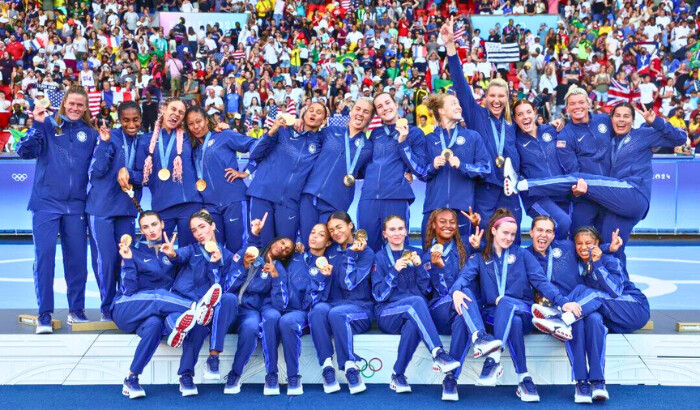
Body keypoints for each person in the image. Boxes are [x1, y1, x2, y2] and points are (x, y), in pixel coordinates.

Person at [505, 102, 687, 266]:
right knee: (610, 248)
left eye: (626, 116)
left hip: (633, 192)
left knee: (579, 179)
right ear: (610, 120)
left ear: (633, 120)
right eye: (617, 116)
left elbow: (680, 138)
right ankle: (618, 291)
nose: (621, 120)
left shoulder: (643, 134)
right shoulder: (611, 140)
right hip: (618, 204)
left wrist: (656, 121)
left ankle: (522, 185)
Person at [451, 208, 578, 402]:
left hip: (524, 309)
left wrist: (563, 302)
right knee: (507, 316)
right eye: (505, 233)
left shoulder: (523, 255)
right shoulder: (480, 258)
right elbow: (464, 277)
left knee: (508, 304)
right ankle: (524, 378)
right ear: (493, 231)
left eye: (513, 234)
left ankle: (492, 360)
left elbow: (541, 282)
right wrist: (456, 291)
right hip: (494, 316)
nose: (509, 238)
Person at [531, 225, 651, 402]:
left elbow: (615, 291)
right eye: (579, 243)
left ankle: (559, 318)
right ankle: (590, 383)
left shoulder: (611, 261)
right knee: (589, 317)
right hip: (609, 315)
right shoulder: (582, 264)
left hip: (634, 308)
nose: (582, 247)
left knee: (592, 295)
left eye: (588, 243)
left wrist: (598, 262)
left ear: (596, 244)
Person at [112, 211, 221, 399]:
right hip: (127, 307)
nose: (151, 230)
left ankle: (132, 379)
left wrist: (174, 255)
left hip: (152, 315)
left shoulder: (172, 252)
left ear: (162, 224)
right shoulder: (134, 251)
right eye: (145, 227)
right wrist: (128, 260)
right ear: (141, 230)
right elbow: (128, 290)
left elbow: (184, 276)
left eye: (154, 224)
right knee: (158, 296)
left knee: (156, 324)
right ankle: (195, 309)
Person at [17, 85, 99, 332]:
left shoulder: (90, 134)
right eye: (71, 103)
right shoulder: (48, 125)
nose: (75, 108)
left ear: (85, 108)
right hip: (46, 203)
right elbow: (24, 152)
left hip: (76, 206)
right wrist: (38, 125)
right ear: (64, 103)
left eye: (80, 105)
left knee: (77, 261)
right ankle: (44, 314)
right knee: (44, 259)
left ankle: (76, 310)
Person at [441, 18, 522, 242]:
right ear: (485, 98)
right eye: (492, 96)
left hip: (510, 190)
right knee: (483, 237)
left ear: (507, 98)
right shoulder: (476, 116)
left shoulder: (512, 123)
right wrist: (450, 47)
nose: (496, 100)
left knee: (512, 236)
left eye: (501, 96)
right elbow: (460, 84)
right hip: (485, 189)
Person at [525, 216, 618, 403]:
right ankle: (581, 382)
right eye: (540, 230)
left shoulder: (566, 247)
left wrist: (610, 248)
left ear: (554, 235)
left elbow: (586, 249)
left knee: (595, 321)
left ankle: (598, 382)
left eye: (548, 231)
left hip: (581, 304)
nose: (544, 235)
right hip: (551, 311)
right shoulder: (524, 255)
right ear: (531, 232)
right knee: (577, 325)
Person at [372, 215, 460, 394]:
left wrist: (420, 267)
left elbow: (427, 290)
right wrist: (394, 270)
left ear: (406, 231)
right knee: (416, 303)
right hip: (388, 313)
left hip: (414, 312)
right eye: (392, 229)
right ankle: (438, 353)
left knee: (414, 322)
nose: (397, 233)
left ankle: (398, 374)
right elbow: (379, 295)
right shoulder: (379, 257)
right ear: (385, 234)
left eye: (400, 229)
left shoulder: (417, 253)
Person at [422, 208, 502, 401]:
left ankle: (450, 380)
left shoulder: (465, 246)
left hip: (465, 311)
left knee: (462, 322)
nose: (448, 225)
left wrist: (478, 243)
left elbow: (489, 254)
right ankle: (480, 336)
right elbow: (438, 292)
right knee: (464, 292)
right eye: (443, 221)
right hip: (441, 310)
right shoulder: (427, 256)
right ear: (433, 224)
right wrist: (438, 269)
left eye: (452, 222)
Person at [159, 210, 241, 396]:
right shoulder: (192, 249)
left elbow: (221, 288)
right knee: (189, 321)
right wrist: (172, 253)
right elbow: (178, 256)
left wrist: (215, 264)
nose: (199, 233)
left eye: (202, 227)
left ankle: (202, 365)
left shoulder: (227, 257)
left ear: (212, 226)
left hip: (207, 310)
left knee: (218, 307)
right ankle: (176, 336)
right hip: (184, 302)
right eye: (194, 230)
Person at [222, 214, 294, 396]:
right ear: (274, 241)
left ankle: (266, 375)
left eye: (287, 250)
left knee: (264, 321)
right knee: (250, 324)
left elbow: (280, 305)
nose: (283, 248)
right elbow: (227, 287)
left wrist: (276, 277)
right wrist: (243, 267)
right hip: (241, 308)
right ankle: (235, 374)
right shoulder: (249, 253)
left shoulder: (279, 268)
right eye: (283, 243)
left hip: (261, 310)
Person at [87, 101, 144, 321]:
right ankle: (107, 307)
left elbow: (146, 175)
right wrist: (104, 144)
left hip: (127, 209)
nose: (131, 124)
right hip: (101, 208)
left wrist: (130, 173)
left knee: (126, 257)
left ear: (141, 119)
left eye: (135, 119)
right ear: (119, 120)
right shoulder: (109, 137)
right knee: (107, 258)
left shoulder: (145, 141)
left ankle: (124, 302)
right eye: (126, 120)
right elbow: (96, 171)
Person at [307, 211, 375, 394]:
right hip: (333, 306)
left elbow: (348, 284)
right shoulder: (330, 251)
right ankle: (327, 367)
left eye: (339, 227)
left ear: (350, 225)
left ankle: (350, 367)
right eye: (331, 230)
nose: (336, 232)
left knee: (337, 313)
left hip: (360, 308)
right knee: (317, 310)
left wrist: (351, 255)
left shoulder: (366, 252)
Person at [414, 92, 491, 243]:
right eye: (453, 103)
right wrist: (433, 166)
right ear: (441, 110)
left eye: (459, 104)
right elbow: (421, 173)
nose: (459, 107)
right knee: (429, 256)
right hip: (434, 207)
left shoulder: (472, 136)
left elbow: (485, 169)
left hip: (462, 209)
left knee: (461, 257)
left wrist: (462, 166)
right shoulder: (429, 138)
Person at [246, 102, 326, 247]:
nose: (313, 114)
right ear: (304, 113)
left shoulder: (321, 141)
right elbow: (254, 153)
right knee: (262, 246)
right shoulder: (283, 130)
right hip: (263, 194)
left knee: (285, 248)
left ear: (324, 120)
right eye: (311, 110)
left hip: (290, 202)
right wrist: (272, 130)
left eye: (318, 112)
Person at [299, 99, 374, 246]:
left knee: (328, 246)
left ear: (371, 119)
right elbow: (309, 140)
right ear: (351, 111)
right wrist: (300, 122)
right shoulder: (331, 131)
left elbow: (370, 170)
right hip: (310, 196)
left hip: (335, 203)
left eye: (366, 112)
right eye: (358, 109)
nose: (360, 114)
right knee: (308, 242)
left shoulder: (368, 147)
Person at [358, 93, 427, 251]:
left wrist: (403, 143)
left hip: (396, 197)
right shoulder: (376, 134)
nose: (385, 108)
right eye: (380, 106)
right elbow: (367, 165)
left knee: (398, 249)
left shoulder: (414, 133)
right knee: (367, 249)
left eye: (387, 103)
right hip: (368, 198)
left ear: (396, 104)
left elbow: (422, 169)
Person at [184, 106, 257, 252]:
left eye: (198, 121)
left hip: (233, 200)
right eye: (191, 124)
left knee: (239, 248)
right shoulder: (193, 148)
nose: (196, 127)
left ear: (206, 120)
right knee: (215, 249)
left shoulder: (224, 135)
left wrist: (247, 171)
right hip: (210, 205)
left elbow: (256, 144)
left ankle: (241, 275)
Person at [134, 97, 202, 247]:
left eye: (181, 112)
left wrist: (218, 126)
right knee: (159, 254)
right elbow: (140, 176)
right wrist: (125, 173)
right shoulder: (145, 140)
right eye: (173, 109)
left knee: (188, 254)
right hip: (162, 206)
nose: (176, 114)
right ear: (163, 109)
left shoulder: (189, 137)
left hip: (189, 204)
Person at [277, 223, 334, 395]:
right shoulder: (295, 256)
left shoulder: (328, 267)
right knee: (283, 320)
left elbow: (314, 302)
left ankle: (321, 370)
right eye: (312, 232)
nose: (314, 236)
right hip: (289, 311)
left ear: (328, 243)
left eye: (321, 234)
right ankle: (292, 376)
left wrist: (322, 279)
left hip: (311, 314)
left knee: (312, 312)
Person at [512, 99, 571, 239]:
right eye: (520, 114)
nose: (525, 116)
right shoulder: (515, 140)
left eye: (528, 112)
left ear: (535, 113)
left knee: (567, 233)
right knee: (562, 223)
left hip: (561, 192)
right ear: (515, 119)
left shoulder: (551, 130)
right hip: (536, 198)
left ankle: (550, 258)